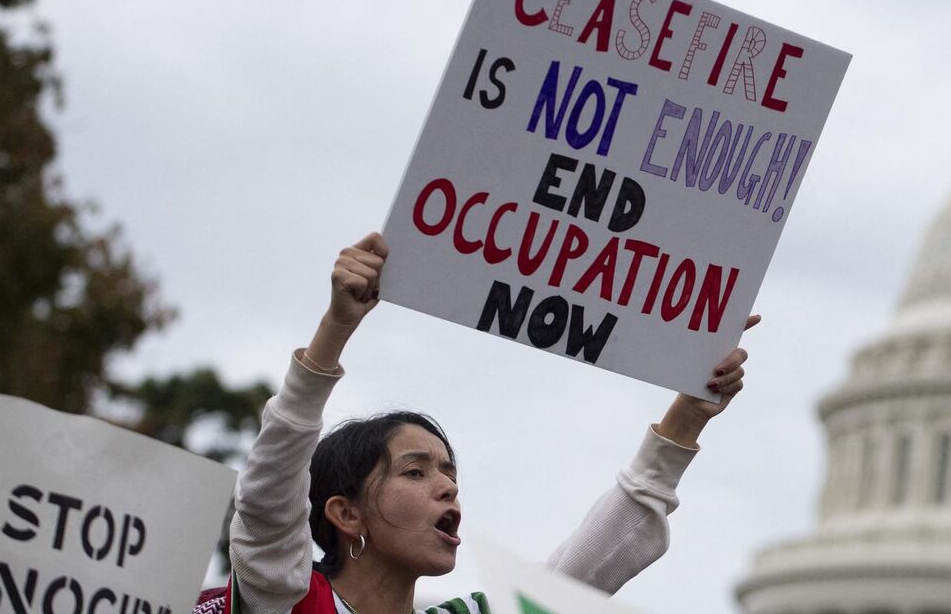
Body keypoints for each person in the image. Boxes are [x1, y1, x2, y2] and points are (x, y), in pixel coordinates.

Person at [198, 233, 752, 614]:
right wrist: (335, 328)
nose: (448, 486)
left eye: (448, 471)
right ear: (345, 513)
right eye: (415, 473)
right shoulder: (285, 597)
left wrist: (687, 416)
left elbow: (585, 566)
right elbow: (268, 499)